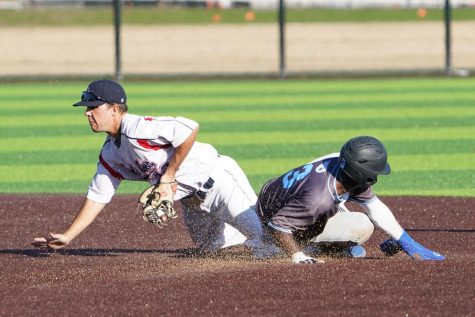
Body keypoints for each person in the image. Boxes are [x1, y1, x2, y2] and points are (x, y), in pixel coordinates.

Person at [31, 79, 277, 258]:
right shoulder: (111, 153)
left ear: (114, 109)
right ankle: (246, 227)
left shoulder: (138, 128)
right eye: (86, 108)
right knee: (211, 249)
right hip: (193, 202)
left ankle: (305, 237)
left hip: (218, 180)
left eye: (93, 106)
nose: (87, 113)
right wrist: (68, 235)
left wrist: (168, 177)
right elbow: (98, 196)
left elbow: (189, 128)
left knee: (270, 244)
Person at [256, 136, 446, 264]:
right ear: (363, 174)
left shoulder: (338, 163)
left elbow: (375, 207)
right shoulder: (318, 199)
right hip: (271, 224)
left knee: (353, 218)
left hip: (277, 199)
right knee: (362, 226)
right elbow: (277, 225)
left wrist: (407, 242)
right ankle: (308, 248)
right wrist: (298, 255)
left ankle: (318, 243)